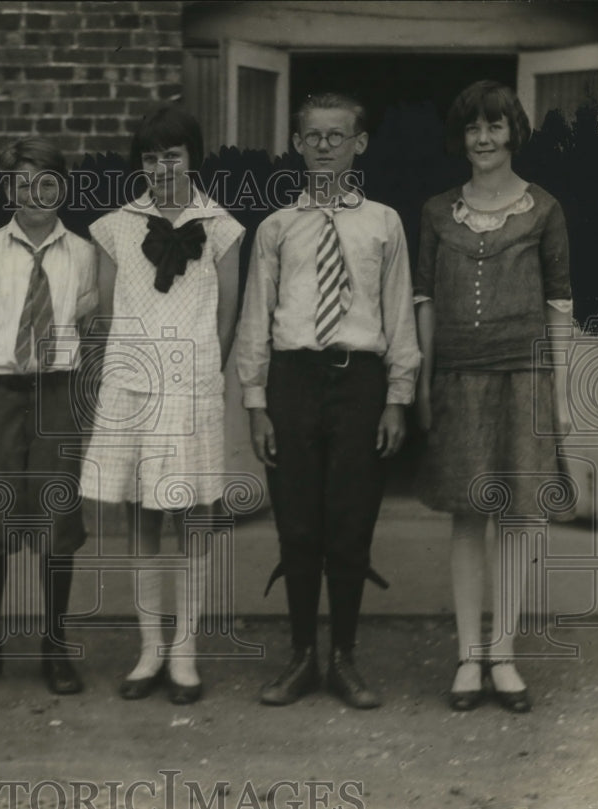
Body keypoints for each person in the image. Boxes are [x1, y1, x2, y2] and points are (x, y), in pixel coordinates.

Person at [236, 93, 420, 709]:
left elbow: (398, 314)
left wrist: (398, 397)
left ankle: (344, 657)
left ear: (358, 145)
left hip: (360, 382)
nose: (323, 146)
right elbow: (255, 319)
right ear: (297, 143)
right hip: (293, 381)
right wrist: (256, 401)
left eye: (336, 136)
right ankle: (300, 658)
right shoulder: (276, 228)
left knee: (350, 522)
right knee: (297, 525)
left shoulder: (384, 223)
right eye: (312, 136)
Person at [414, 81, 573, 714]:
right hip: (459, 379)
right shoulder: (434, 212)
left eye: (496, 127)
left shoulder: (545, 210)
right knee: (467, 515)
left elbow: (560, 303)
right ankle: (466, 658)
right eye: (474, 128)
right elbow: (424, 298)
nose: (484, 139)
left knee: (515, 517)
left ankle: (502, 656)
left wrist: (559, 394)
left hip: (524, 377)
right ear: (463, 138)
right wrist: (424, 379)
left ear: (514, 133)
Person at [81, 106, 244, 705]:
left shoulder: (221, 226)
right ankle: (150, 647)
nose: (161, 167)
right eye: (150, 157)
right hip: (133, 384)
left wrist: (205, 372)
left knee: (192, 513)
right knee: (144, 515)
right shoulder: (116, 226)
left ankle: (186, 651)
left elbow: (228, 312)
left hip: (193, 384)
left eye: (172, 155)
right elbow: (104, 311)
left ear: (192, 157)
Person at [0, 136, 97, 695]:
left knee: (57, 519)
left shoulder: (83, 254)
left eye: (45, 182)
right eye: (20, 183)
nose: (34, 194)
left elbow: (88, 332)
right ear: (6, 188)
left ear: (62, 186)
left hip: (58, 391)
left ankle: (54, 647)